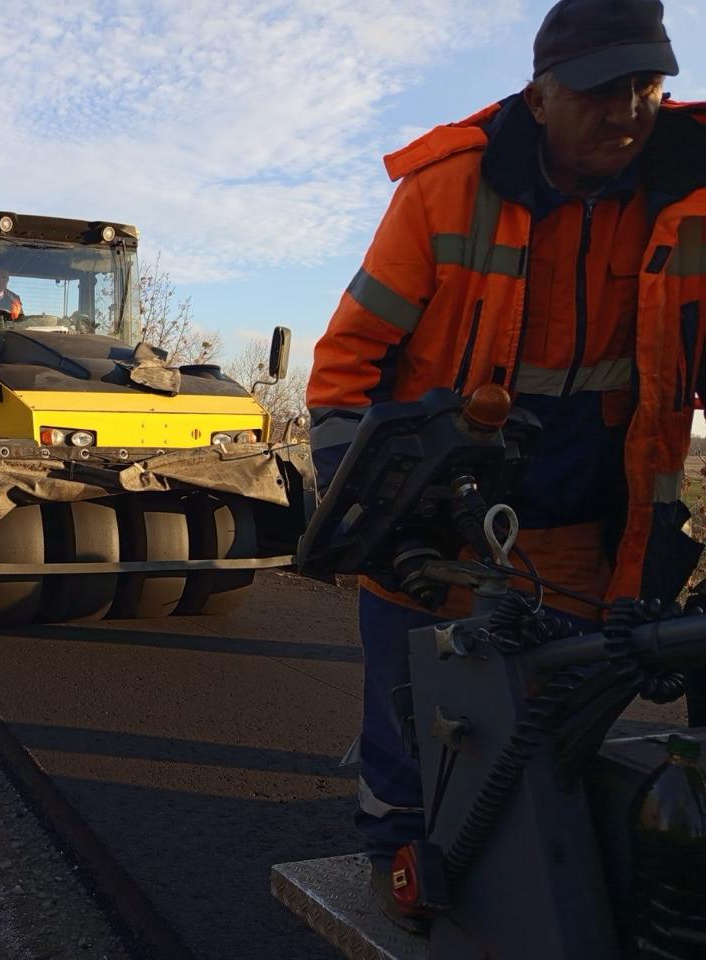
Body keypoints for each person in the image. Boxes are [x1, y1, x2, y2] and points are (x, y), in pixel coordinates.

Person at [306, 0, 705, 930]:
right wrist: (370, 517)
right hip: (437, 533)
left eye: (648, 86)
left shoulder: (691, 197)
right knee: (416, 745)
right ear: (541, 92)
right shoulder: (445, 191)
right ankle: (396, 894)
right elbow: (346, 368)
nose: (630, 111)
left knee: (546, 754)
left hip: (581, 534)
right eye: (605, 89)